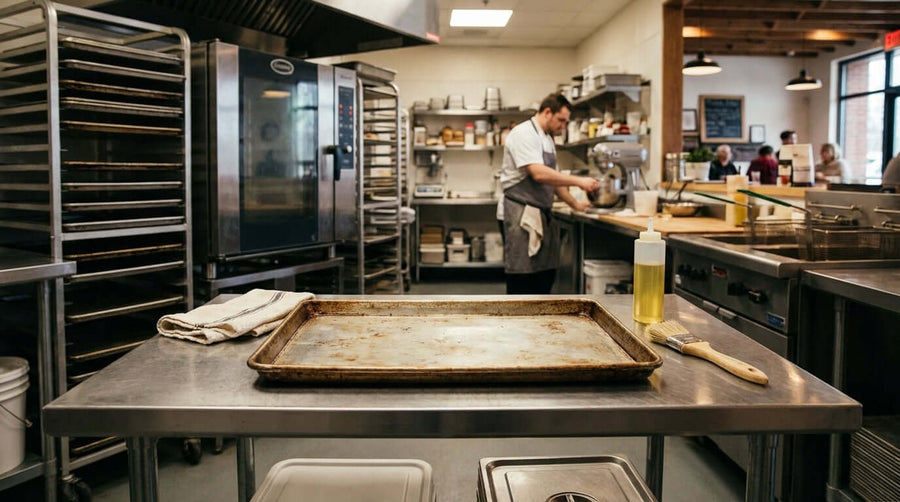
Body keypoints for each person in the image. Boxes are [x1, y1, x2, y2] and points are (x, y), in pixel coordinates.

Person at [500, 93, 599, 294]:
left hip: (540, 213)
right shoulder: (524, 133)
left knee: (543, 277)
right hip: (521, 214)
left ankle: (540, 323)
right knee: (523, 277)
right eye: (561, 120)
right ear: (547, 112)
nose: (563, 126)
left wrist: (575, 204)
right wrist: (579, 181)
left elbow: (553, 179)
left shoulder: (546, 138)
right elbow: (539, 174)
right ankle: (518, 324)